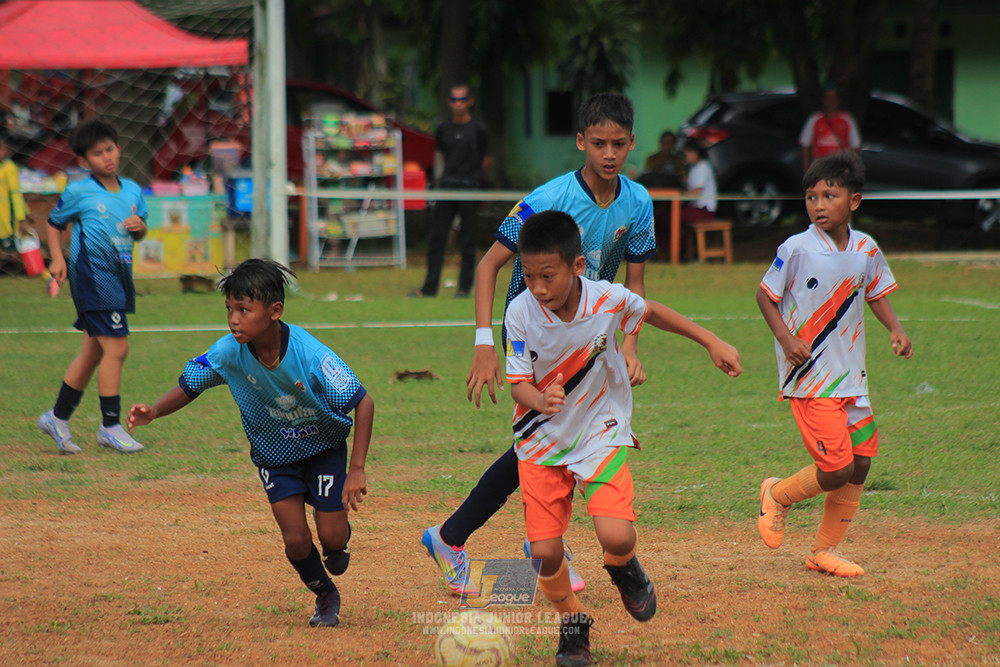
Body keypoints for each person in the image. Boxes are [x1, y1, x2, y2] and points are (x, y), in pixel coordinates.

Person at [421, 92, 657, 596]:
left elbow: (636, 287)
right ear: (580, 142)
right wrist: (486, 342)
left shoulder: (638, 203)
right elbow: (488, 266)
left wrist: (630, 346)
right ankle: (457, 538)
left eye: (618, 144)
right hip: (537, 333)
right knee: (549, 436)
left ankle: (533, 543)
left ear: (632, 143)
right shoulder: (547, 198)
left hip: (588, 331)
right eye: (598, 144)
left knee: (556, 437)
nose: (609, 154)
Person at [508, 210, 742, 665]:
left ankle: (623, 568)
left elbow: (650, 312)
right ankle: (573, 623)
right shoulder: (520, 313)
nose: (537, 288)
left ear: (577, 266)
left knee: (616, 536)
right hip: (540, 440)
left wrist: (710, 340)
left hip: (599, 429)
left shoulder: (607, 298)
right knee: (544, 551)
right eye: (529, 276)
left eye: (547, 276)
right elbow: (518, 383)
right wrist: (538, 399)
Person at [126, 258, 375, 628]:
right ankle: (325, 594)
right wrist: (155, 411)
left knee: (331, 537)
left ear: (275, 311)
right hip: (275, 455)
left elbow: (363, 403)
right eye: (229, 309)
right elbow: (190, 385)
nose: (234, 319)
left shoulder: (310, 354)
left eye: (244, 309)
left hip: (323, 449)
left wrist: (356, 469)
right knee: (295, 539)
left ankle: (339, 541)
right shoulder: (229, 352)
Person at [756, 152, 912, 577]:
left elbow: (875, 292)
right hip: (810, 378)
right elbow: (765, 296)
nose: (819, 205)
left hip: (852, 379)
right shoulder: (796, 249)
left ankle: (822, 551)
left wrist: (895, 330)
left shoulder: (866, 249)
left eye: (830, 195)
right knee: (836, 467)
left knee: (861, 463)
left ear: (854, 201)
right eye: (811, 197)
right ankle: (778, 494)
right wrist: (787, 340)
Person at [37, 119, 148, 454]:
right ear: (84, 162)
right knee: (117, 349)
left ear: (118, 146)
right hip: (93, 278)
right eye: (98, 154)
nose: (107, 157)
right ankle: (110, 426)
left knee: (93, 352)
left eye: (110, 149)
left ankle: (57, 418)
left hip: (119, 279)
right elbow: (54, 224)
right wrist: (57, 259)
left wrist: (140, 227)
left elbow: (141, 231)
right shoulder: (79, 192)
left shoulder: (132, 191)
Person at [410, 83, 493, 298]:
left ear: (470, 101)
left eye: (462, 99)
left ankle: (464, 288)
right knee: (437, 238)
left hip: (470, 189)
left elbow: (487, 159)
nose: (458, 104)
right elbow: (442, 156)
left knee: (468, 240)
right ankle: (429, 288)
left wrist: (471, 177)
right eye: (454, 99)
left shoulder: (479, 130)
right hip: (447, 188)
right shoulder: (443, 128)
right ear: (449, 102)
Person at [0, 130, 58, 295]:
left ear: (9, 151)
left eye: (2, 149)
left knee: (26, 256)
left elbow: (16, 195)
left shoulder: (9, 168)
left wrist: (22, 219)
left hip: (8, 223)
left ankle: (49, 279)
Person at [799, 84, 861, 171]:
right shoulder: (814, 119)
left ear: (839, 100)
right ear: (823, 100)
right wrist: (806, 171)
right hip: (820, 168)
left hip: (841, 168)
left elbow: (855, 146)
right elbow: (805, 145)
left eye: (833, 97)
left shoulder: (847, 119)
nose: (830, 101)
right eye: (827, 97)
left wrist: (855, 170)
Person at [679, 141, 717, 224]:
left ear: (695, 153)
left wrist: (680, 195)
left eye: (687, 154)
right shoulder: (693, 168)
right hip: (696, 208)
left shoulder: (702, 167)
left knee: (671, 218)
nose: (685, 157)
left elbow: (696, 193)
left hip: (704, 209)